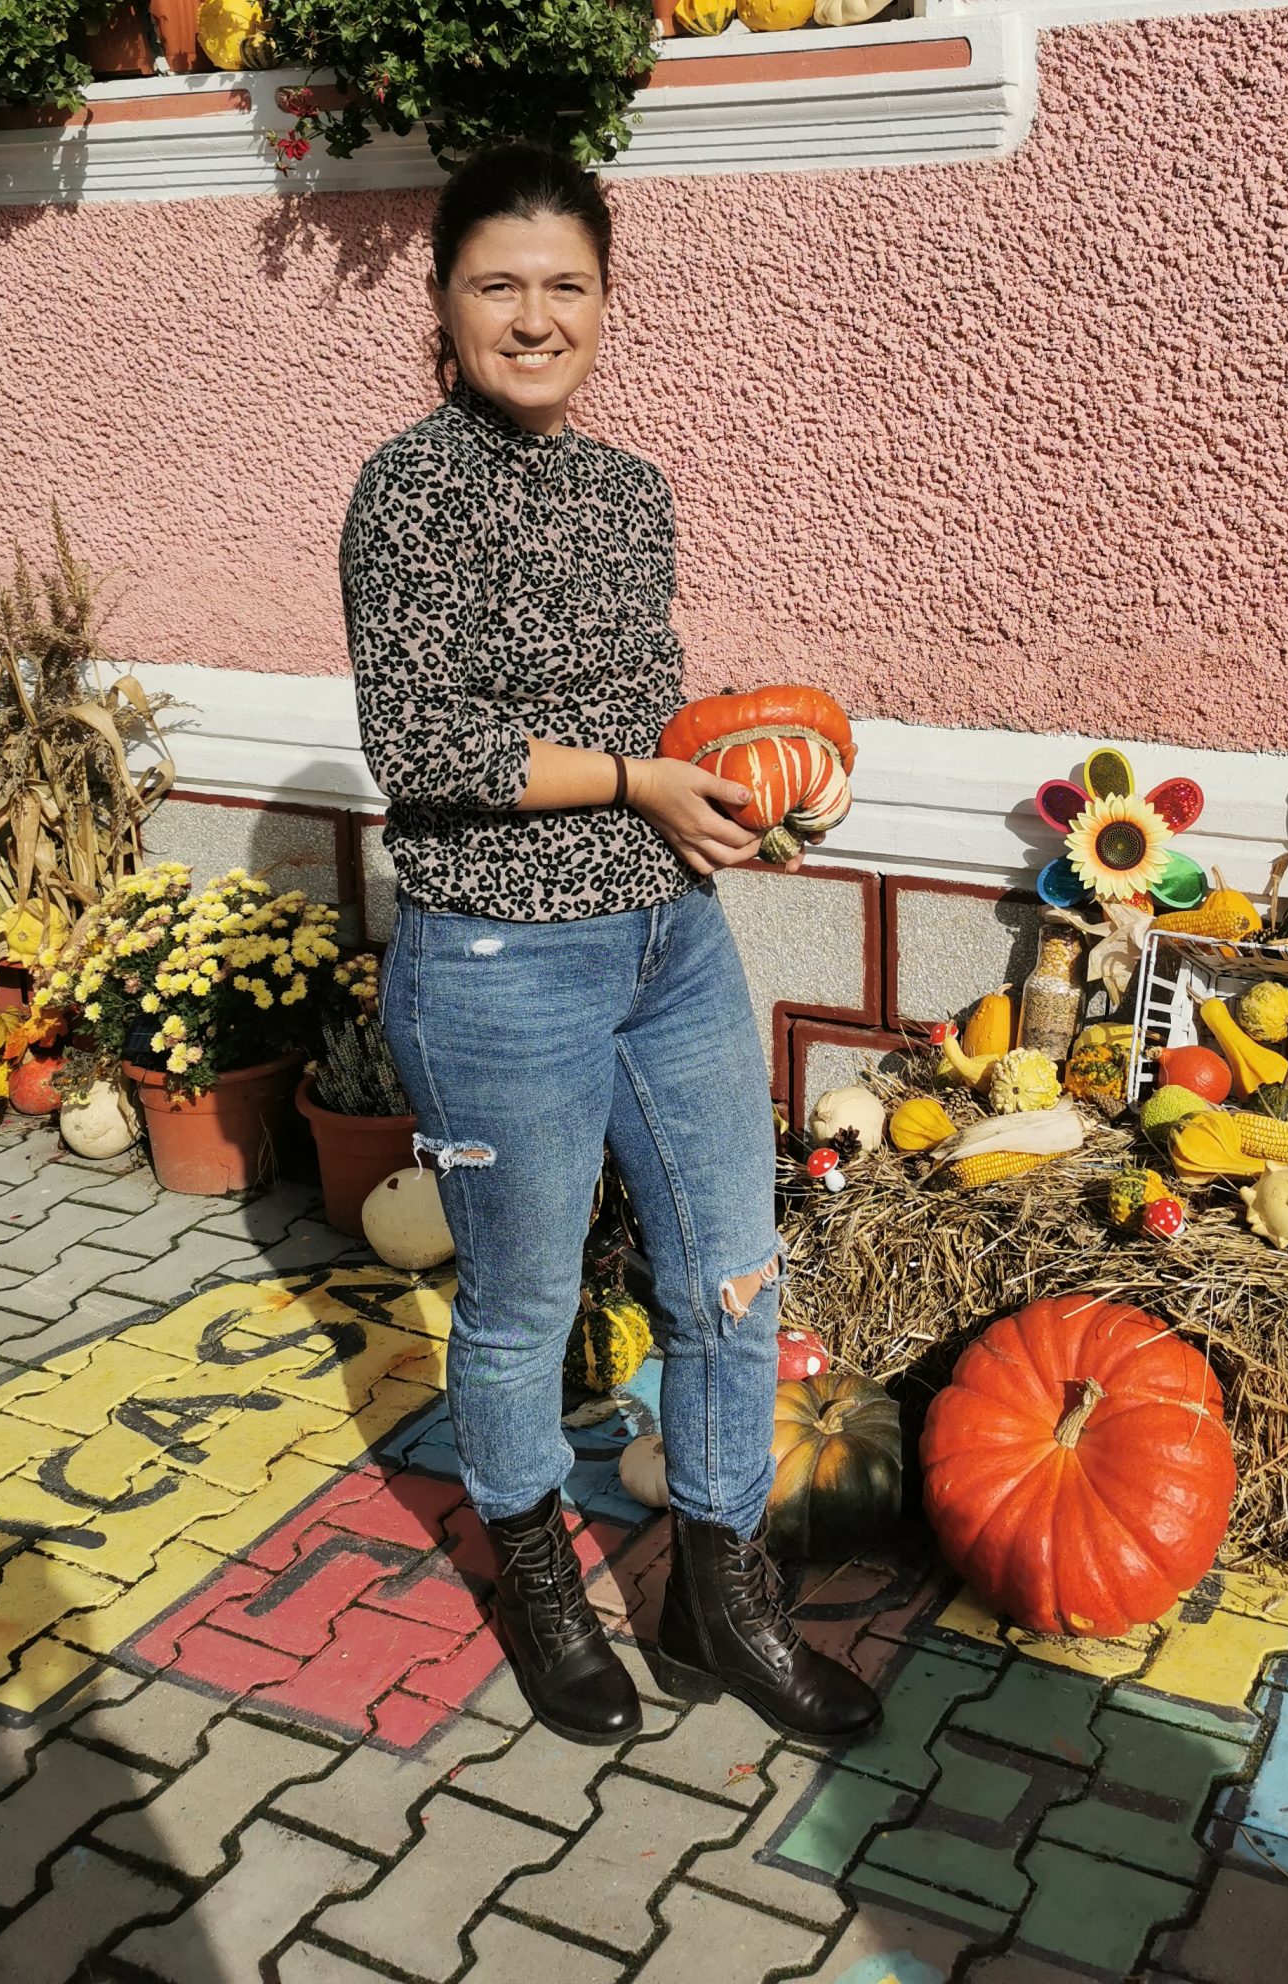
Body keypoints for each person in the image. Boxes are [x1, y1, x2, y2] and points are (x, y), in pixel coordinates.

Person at [340, 143, 879, 1747]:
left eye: (565, 285)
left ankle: (721, 1596)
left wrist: (754, 781)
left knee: (732, 1275)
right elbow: (421, 744)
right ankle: (541, 1588)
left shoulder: (633, 492)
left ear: (606, 301)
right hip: (496, 968)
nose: (535, 317)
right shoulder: (409, 489)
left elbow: (641, 718)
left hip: (669, 944)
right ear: (445, 306)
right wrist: (641, 781)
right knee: (520, 1305)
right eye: (498, 284)